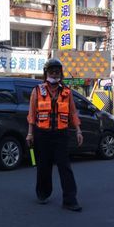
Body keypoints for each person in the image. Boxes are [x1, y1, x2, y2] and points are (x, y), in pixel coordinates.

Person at [26, 58, 84, 212]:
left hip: (61, 135)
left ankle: (70, 200)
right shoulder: (37, 91)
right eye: (51, 71)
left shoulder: (67, 92)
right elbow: (32, 114)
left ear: (61, 73)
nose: (54, 73)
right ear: (46, 74)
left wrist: (78, 130)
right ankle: (43, 193)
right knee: (43, 166)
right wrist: (30, 134)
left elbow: (73, 112)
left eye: (57, 71)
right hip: (42, 134)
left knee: (65, 167)